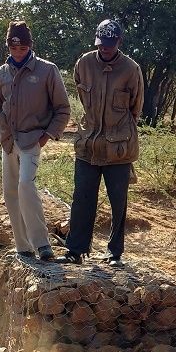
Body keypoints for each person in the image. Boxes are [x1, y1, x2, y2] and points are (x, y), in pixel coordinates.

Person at [59, 19, 144, 266]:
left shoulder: (131, 69)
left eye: (110, 44)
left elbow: (135, 109)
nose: (105, 48)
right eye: (101, 44)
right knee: (82, 198)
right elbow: (83, 100)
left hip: (118, 149)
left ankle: (114, 253)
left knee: (118, 202)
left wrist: (118, 131)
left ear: (119, 42)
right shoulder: (83, 64)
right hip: (88, 144)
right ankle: (75, 250)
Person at [0, 20, 70, 261]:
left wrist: (47, 135)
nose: (18, 53)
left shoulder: (47, 70)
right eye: (14, 49)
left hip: (33, 139)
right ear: (8, 47)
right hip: (8, 140)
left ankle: (42, 244)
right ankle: (23, 246)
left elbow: (63, 109)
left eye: (22, 48)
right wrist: (3, 122)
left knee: (25, 185)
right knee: (11, 191)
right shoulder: (0, 74)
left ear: (30, 46)